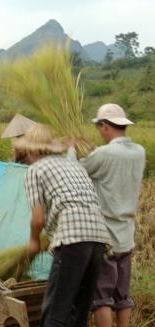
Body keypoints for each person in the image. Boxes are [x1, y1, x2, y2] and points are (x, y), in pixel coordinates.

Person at [14, 123, 111, 327]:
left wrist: (33, 241)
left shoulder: (35, 170)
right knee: (79, 312)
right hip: (99, 237)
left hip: (73, 240)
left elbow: (38, 219)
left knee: (55, 314)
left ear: (31, 149)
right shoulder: (74, 165)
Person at [67, 103, 146, 327]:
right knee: (123, 294)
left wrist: (72, 148)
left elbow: (75, 173)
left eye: (99, 127)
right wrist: (95, 152)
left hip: (105, 235)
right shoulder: (139, 152)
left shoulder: (104, 153)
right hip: (126, 235)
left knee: (102, 295)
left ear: (105, 126)